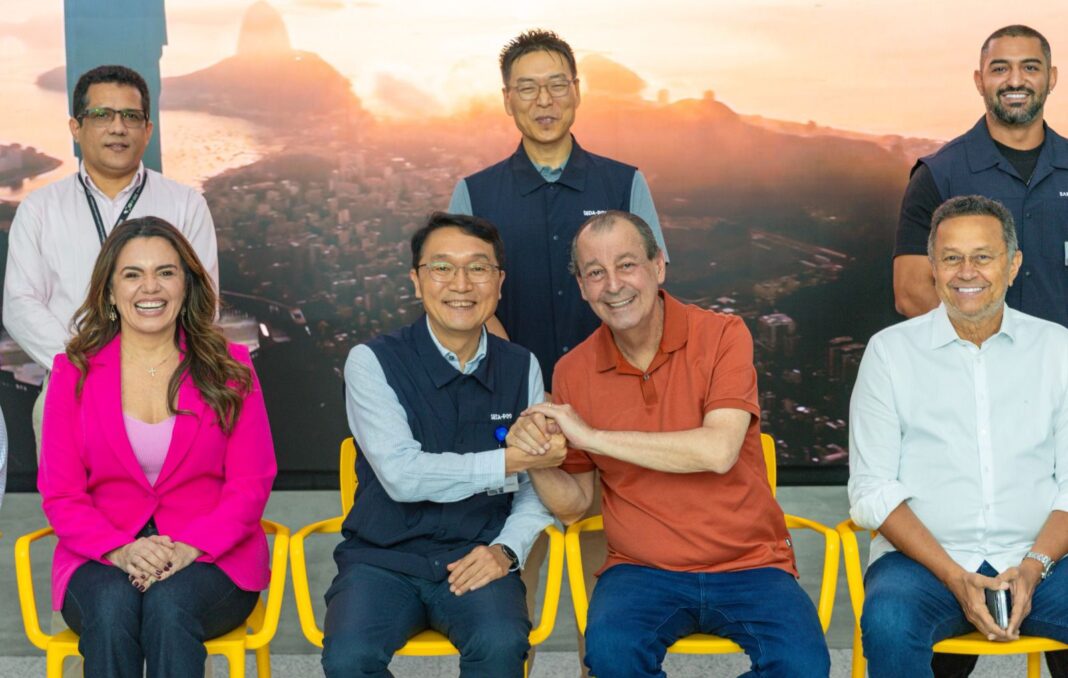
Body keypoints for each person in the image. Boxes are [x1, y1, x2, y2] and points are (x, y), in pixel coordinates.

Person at [509, 211, 831, 677]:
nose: (613, 285)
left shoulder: (723, 335)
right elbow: (574, 506)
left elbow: (718, 451)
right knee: (610, 657)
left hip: (750, 564)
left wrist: (593, 437)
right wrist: (536, 456)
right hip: (639, 569)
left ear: (658, 265)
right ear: (581, 286)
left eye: (627, 265)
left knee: (803, 666)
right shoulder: (573, 371)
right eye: (595, 272)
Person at [321, 213, 560, 678]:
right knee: (350, 657)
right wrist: (508, 461)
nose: (461, 284)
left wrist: (506, 551)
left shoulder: (521, 366)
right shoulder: (371, 362)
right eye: (442, 267)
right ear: (416, 281)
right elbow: (403, 477)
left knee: (501, 644)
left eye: (478, 268)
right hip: (382, 560)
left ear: (499, 282)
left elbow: (536, 484)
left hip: (477, 553)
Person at [37, 217, 275, 678]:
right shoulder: (71, 373)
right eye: (133, 274)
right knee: (111, 608)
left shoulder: (231, 367)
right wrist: (120, 550)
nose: (151, 287)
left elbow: (251, 483)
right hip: (101, 550)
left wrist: (191, 547)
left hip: (211, 554)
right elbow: (62, 495)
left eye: (166, 272)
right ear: (110, 291)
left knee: (169, 606)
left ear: (186, 285)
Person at [850, 195, 1068, 678]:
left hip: (1043, 560)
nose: (967, 272)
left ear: (1013, 265)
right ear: (933, 268)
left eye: (983, 256)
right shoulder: (889, 354)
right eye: (951, 258)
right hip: (923, 566)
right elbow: (872, 490)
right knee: (889, 620)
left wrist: (1033, 567)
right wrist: (954, 576)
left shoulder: (1058, 349)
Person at [4, 64, 218, 450]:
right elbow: (20, 304)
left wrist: (148, 368)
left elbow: (205, 302)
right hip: (72, 388)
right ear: (76, 127)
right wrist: (87, 367)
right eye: (102, 115)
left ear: (147, 130)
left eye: (131, 117)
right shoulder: (40, 209)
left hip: (169, 389)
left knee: (175, 489)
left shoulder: (186, 204)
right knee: (70, 489)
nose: (118, 127)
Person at [449, 29, 667, 385]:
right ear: (508, 99)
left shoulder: (625, 183)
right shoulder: (474, 194)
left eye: (557, 85)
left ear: (576, 92)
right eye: (527, 88)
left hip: (619, 385)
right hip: (508, 390)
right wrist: (524, 382)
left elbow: (647, 289)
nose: (544, 100)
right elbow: (465, 298)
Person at [893, 25, 1066, 329]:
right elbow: (911, 293)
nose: (1015, 80)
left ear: (1051, 78)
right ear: (979, 81)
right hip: (972, 359)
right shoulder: (938, 175)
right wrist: (990, 346)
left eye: (1030, 67)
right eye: (1000, 69)